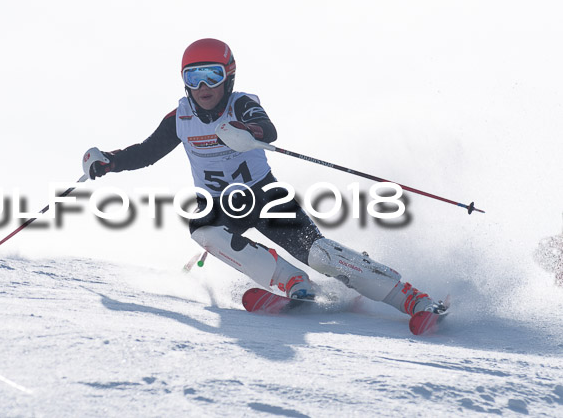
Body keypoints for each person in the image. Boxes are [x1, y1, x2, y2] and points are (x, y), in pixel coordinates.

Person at [83, 38, 446, 319]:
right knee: (203, 229)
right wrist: (109, 162)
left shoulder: (240, 103)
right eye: (193, 77)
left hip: (266, 198)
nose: (203, 85)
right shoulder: (178, 118)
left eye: (212, 74)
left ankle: (410, 298)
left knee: (319, 254)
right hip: (219, 206)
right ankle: (291, 281)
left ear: (229, 76)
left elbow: (266, 129)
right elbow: (147, 152)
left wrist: (247, 130)